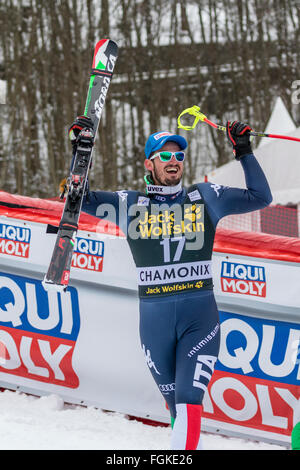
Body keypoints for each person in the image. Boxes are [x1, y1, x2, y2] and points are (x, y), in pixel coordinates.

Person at [68, 116, 273, 450]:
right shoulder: (128, 204)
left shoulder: (205, 196)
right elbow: (77, 197)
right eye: (165, 156)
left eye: (179, 156)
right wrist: (80, 150)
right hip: (154, 325)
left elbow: (260, 197)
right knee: (175, 408)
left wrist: (244, 152)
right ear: (149, 163)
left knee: (189, 398)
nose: (173, 162)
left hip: (199, 319)